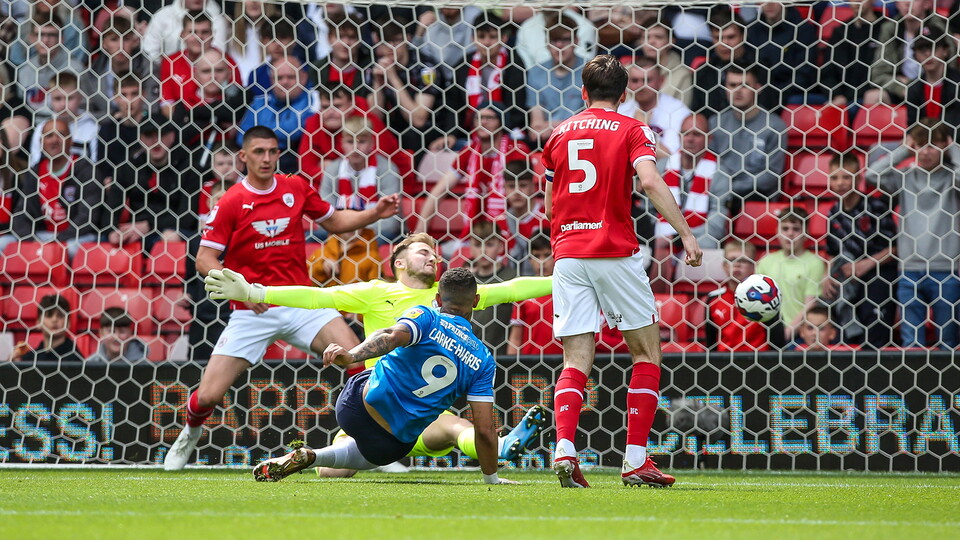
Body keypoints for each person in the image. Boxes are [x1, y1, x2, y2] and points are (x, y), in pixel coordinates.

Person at [203, 232, 550, 474]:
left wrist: (564, 280)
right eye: (423, 252)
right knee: (329, 473)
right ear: (398, 262)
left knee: (455, 426)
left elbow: (512, 289)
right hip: (381, 406)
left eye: (435, 253)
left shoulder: (449, 300)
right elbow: (315, 298)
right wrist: (255, 291)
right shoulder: (375, 292)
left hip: (415, 415)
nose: (433, 257)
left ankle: (504, 447)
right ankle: (489, 448)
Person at [161, 126, 401, 471]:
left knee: (356, 361)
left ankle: (369, 445)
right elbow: (204, 259)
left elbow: (333, 221)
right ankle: (189, 435)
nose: (267, 158)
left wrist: (373, 214)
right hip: (251, 310)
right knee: (210, 395)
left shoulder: (295, 187)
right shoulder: (230, 202)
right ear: (243, 157)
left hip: (301, 300)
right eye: (259, 152)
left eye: (273, 151)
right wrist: (241, 288)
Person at [541, 54, 702, 488]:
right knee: (647, 353)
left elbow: (552, 201)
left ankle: (565, 450)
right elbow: (649, 182)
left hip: (568, 252)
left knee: (576, 358)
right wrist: (685, 233)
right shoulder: (633, 128)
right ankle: (634, 460)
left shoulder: (558, 132)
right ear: (626, 94)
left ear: (583, 92)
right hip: (613, 248)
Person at [249, 268, 516, 485]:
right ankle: (316, 458)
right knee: (375, 454)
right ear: (477, 302)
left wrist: (352, 356)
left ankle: (312, 456)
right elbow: (483, 429)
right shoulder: (483, 359)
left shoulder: (426, 316)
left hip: (354, 407)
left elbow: (389, 337)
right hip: (391, 443)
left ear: (437, 299)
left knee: (377, 378)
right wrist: (491, 477)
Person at [866, 120, 960, 349]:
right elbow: (871, 175)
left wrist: (954, 150)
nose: (926, 152)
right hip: (909, 270)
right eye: (920, 145)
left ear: (944, 147)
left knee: (948, 343)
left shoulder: (952, 178)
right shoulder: (906, 176)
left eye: (933, 145)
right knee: (912, 345)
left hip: (946, 270)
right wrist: (903, 150)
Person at [822, 151, 898, 348]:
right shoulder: (833, 213)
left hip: (879, 275)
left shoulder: (875, 206)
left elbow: (896, 248)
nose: (840, 183)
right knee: (845, 337)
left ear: (858, 178)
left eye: (846, 177)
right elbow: (832, 252)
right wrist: (827, 276)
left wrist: (866, 264)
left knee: (874, 335)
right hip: (849, 279)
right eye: (835, 178)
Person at [707, 65, 787, 243]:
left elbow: (771, 175)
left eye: (744, 85)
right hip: (718, 195)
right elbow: (709, 164)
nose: (737, 91)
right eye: (732, 85)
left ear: (757, 88)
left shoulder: (774, 125)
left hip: (755, 196)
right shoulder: (715, 123)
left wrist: (731, 189)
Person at [10, 119, 103, 257]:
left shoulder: (86, 170)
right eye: (49, 136)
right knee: (4, 244)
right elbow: (20, 214)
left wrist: (56, 242)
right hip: (40, 237)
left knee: (69, 251)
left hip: (75, 238)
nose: (54, 140)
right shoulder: (35, 172)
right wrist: (32, 241)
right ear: (41, 142)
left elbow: (87, 218)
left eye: (61, 135)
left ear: (70, 141)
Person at [756, 207, 826, 341]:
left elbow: (810, 305)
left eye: (796, 229)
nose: (790, 234)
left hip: (798, 334)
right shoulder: (766, 261)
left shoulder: (814, 263)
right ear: (777, 232)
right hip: (767, 332)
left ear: (806, 232)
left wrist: (786, 333)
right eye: (785, 229)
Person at [704, 240, 783, 352]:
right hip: (724, 363)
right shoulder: (714, 299)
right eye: (732, 260)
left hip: (760, 362)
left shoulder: (766, 298)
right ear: (725, 266)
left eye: (743, 260)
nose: (737, 264)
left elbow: (777, 341)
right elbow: (711, 343)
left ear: (753, 266)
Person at [525, 13, 586, 147]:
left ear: (576, 40)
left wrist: (550, 126)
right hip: (548, 145)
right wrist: (570, 124)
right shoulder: (536, 73)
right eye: (554, 40)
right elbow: (535, 131)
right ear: (547, 43)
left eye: (565, 40)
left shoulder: (589, 71)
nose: (559, 45)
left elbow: (590, 125)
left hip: (582, 143)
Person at [507, 234, 562, 356]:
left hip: (564, 365)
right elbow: (516, 338)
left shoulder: (567, 291)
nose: (541, 262)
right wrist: (510, 370)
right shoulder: (524, 291)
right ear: (530, 260)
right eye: (536, 256)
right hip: (532, 368)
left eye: (547, 255)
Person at [10, 294, 83, 362]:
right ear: (38, 322)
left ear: (68, 323)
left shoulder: (75, 359)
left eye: (60, 315)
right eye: (49, 315)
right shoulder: (30, 358)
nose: (54, 320)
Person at [84, 307, 149, 364]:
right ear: (101, 333)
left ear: (130, 333)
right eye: (111, 331)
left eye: (122, 331)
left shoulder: (144, 365)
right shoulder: (90, 364)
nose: (116, 337)